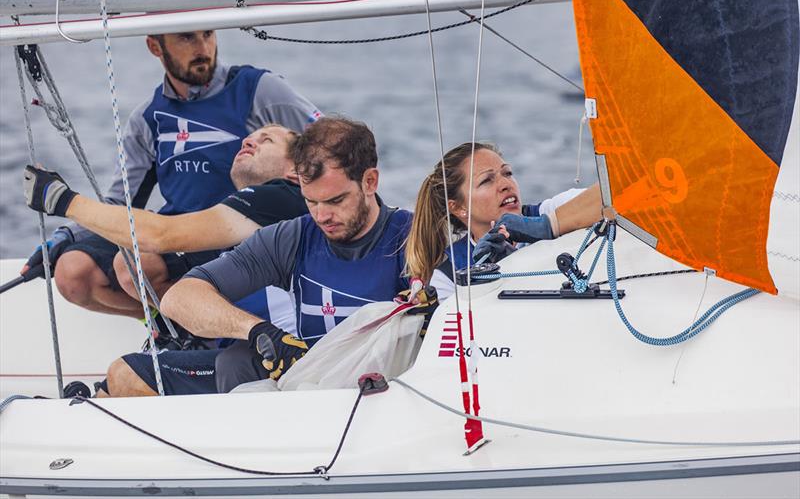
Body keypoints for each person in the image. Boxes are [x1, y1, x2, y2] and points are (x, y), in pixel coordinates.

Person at [100, 116, 420, 397]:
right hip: (308, 392)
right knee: (234, 361)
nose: (322, 216)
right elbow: (179, 299)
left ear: (370, 182)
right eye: (311, 201)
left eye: (335, 200)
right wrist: (257, 331)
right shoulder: (291, 236)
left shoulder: (414, 234)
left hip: (384, 396)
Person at [21, 30, 321, 319]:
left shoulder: (259, 89)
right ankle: (171, 326)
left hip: (237, 232)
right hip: (175, 233)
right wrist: (65, 236)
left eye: (207, 34)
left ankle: (204, 327)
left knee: (137, 265)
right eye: (186, 37)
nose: (203, 47)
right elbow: (122, 202)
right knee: (72, 271)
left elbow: (330, 148)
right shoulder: (147, 119)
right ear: (155, 47)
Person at [23, 124, 308, 337]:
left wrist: (62, 200)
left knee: (122, 376)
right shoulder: (260, 204)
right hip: (242, 310)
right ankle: (170, 325)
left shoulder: (281, 196)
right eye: (249, 137)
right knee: (78, 270)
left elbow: (159, 235)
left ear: (295, 172)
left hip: (263, 333)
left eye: (266, 139)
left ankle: (186, 331)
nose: (248, 141)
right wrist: (73, 236)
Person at [405, 141, 602, 292]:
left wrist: (548, 226)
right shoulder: (448, 276)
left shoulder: (550, 211)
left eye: (507, 173)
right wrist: (498, 275)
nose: (506, 184)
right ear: (458, 207)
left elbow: (618, 195)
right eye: (487, 181)